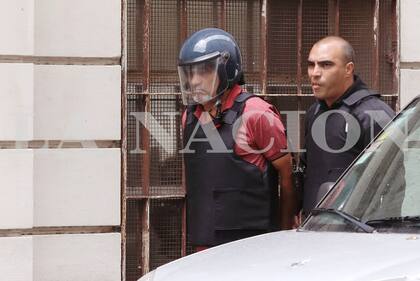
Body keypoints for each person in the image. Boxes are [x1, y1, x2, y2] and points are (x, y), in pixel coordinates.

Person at [178, 28, 297, 250]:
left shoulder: (256, 113)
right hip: (204, 248)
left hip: (252, 249)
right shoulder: (190, 117)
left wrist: (284, 235)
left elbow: (288, 178)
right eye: (190, 73)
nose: (194, 81)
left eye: (203, 71)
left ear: (226, 69)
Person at [301, 36, 395, 216]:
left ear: (348, 69)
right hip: (315, 228)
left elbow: (392, 183)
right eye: (311, 65)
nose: (315, 73)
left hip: (357, 232)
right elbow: (309, 171)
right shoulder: (314, 112)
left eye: (326, 65)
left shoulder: (372, 114)